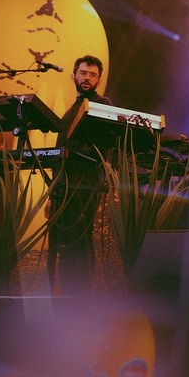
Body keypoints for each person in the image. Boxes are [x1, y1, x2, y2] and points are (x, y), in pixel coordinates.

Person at [48, 54, 112, 295]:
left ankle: (81, 297)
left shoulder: (100, 104)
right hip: (63, 186)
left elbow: (103, 144)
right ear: (73, 75)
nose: (87, 78)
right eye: (83, 73)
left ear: (99, 80)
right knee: (65, 243)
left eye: (93, 75)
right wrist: (53, 191)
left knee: (80, 241)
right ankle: (67, 295)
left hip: (84, 184)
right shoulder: (72, 109)